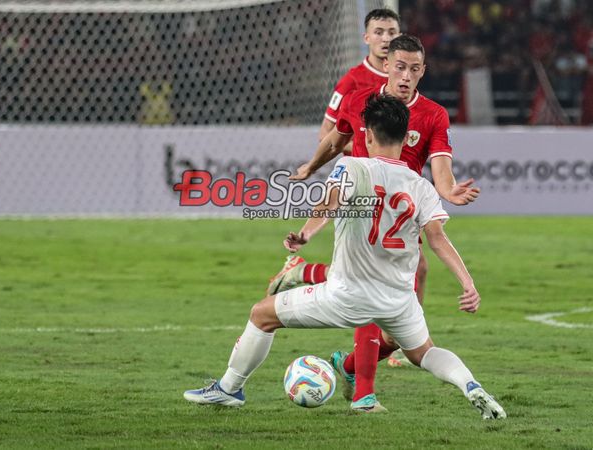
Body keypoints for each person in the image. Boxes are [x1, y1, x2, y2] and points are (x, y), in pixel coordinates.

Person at [183, 94, 505, 420]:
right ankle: (470, 385)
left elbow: (329, 204)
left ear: (366, 134)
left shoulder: (351, 166)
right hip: (398, 300)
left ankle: (229, 389)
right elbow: (437, 240)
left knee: (262, 314)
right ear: (406, 137)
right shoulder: (420, 186)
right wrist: (468, 284)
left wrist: (306, 233)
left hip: (345, 295)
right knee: (424, 352)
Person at [269, 35, 479, 412]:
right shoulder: (359, 100)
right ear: (386, 64)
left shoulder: (432, 114)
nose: (406, 76)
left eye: (415, 70)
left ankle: (340, 351)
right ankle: (364, 394)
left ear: (423, 72)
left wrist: (448, 193)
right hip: (361, 205)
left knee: (400, 317)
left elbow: (441, 172)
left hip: (398, 212)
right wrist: (311, 167)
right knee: (376, 290)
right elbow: (336, 139)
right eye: (400, 67)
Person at [318, 8, 400, 142]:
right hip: (360, 162)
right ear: (366, 38)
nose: (386, 38)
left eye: (392, 33)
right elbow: (324, 134)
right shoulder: (352, 80)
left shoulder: (405, 77)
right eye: (378, 32)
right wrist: (364, 150)